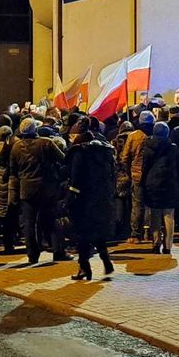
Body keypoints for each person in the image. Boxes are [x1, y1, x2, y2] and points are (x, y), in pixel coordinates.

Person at [9, 117, 65, 264]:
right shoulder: (46, 143)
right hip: (47, 189)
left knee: (29, 223)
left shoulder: (16, 147)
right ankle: (58, 251)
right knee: (52, 220)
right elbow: (63, 159)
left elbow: (13, 171)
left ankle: (32, 255)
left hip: (26, 189)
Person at [66, 120, 117, 280]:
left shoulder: (79, 152)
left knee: (82, 234)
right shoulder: (105, 150)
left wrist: (71, 197)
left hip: (84, 198)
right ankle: (106, 261)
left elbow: (76, 178)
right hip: (102, 197)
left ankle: (84, 267)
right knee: (97, 230)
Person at [142, 121, 179, 255]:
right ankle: (168, 245)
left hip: (152, 184)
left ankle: (155, 243)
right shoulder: (173, 148)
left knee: (155, 216)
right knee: (169, 215)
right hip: (169, 184)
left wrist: (144, 182)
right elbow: (178, 166)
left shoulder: (147, 147)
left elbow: (144, 167)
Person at [121, 111, 154, 242]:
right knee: (151, 205)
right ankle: (150, 232)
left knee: (137, 205)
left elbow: (125, 157)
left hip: (136, 175)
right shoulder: (154, 135)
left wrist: (129, 172)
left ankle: (135, 234)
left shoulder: (133, 136)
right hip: (152, 175)